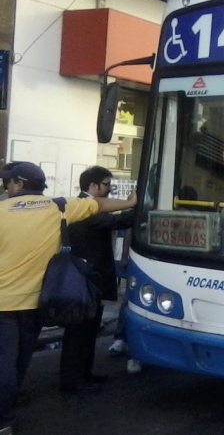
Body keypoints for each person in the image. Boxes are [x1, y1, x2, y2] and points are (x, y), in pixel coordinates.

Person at [0, 163, 136, 434]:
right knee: (19, 359)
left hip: (3, 303)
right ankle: (8, 403)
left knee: (4, 360)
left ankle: (4, 418)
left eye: (7, 182)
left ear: (17, 184)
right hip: (37, 301)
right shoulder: (59, 207)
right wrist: (132, 200)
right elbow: (99, 205)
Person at [59, 166, 135, 394]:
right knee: (79, 332)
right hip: (85, 280)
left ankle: (84, 373)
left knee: (88, 330)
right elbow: (118, 222)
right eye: (107, 183)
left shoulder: (89, 206)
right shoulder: (85, 208)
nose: (110, 188)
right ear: (92, 186)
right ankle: (73, 380)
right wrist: (141, 203)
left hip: (91, 280)